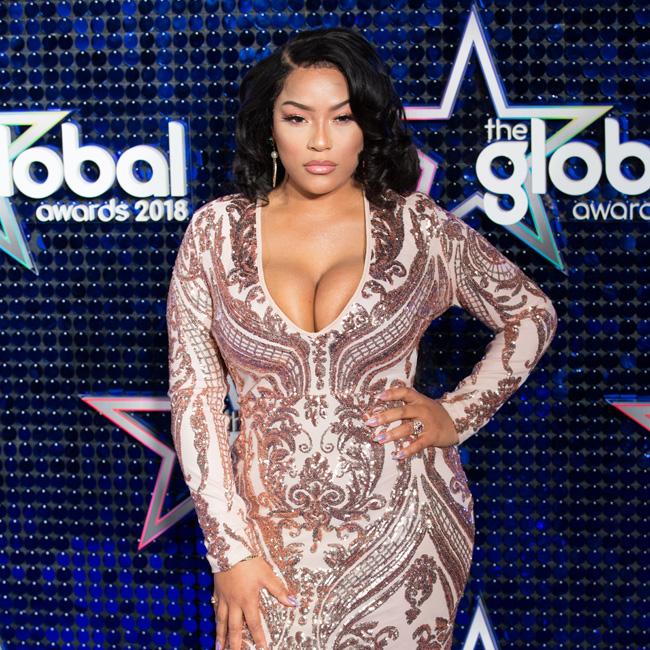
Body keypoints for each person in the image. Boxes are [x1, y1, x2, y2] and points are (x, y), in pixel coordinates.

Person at [166, 27, 557, 650]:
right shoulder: (215, 232)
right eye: (298, 117)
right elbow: (196, 397)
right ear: (269, 125)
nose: (320, 140)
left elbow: (531, 314)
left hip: (405, 529)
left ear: (367, 126)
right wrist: (230, 550)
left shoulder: (419, 228)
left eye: (342, 117)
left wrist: (456, 414)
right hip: (263, 536)